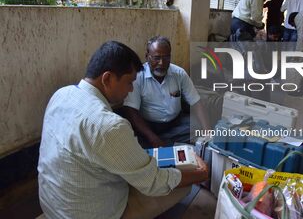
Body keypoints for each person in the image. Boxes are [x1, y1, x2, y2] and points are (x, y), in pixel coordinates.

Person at [37, 41, 209, 219]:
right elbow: (154, 182)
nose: (131, 89)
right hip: (89, 214)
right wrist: (199, 174)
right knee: (182, 184)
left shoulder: (61, 94)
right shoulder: (110, 126)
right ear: (107, 79)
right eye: (129, 82)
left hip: (52, 206)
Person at [120, 36, 210, 148]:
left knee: (197, 126)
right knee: (133, 138)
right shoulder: (138, 77)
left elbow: (196, 102)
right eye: (156, 58)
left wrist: (208, 133)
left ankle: (163, 144)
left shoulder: (179, 74)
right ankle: (164, 143)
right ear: (147, 57)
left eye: (166, 57)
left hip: (175, 124)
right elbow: (132, 111)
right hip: (149, 127)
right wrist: (152, 137)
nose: (161, 63)